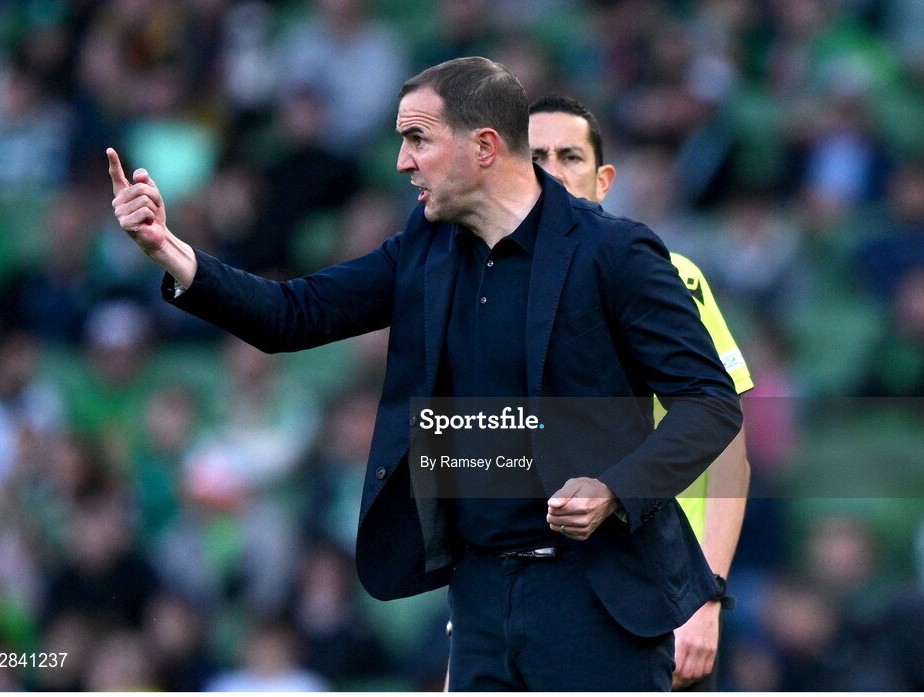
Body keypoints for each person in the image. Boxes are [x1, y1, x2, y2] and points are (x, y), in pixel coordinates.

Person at [108, 57, 742, 691]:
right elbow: (291, 316)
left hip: (597, 598)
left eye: (418, 139)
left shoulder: (616, 254)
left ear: (485, 147)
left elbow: (711, 404)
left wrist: (614, 489)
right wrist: (169, 249)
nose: (402, 162)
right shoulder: (426, 247)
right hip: (478, 598)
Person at [528, 94, 752, 690]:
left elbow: (730, 458)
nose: (551, 172)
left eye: (569, 156)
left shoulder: (668, 275)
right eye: (534, 157)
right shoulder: (489, 293)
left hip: (660, 592)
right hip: (539, 600)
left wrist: (707, 599)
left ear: (603, 181)